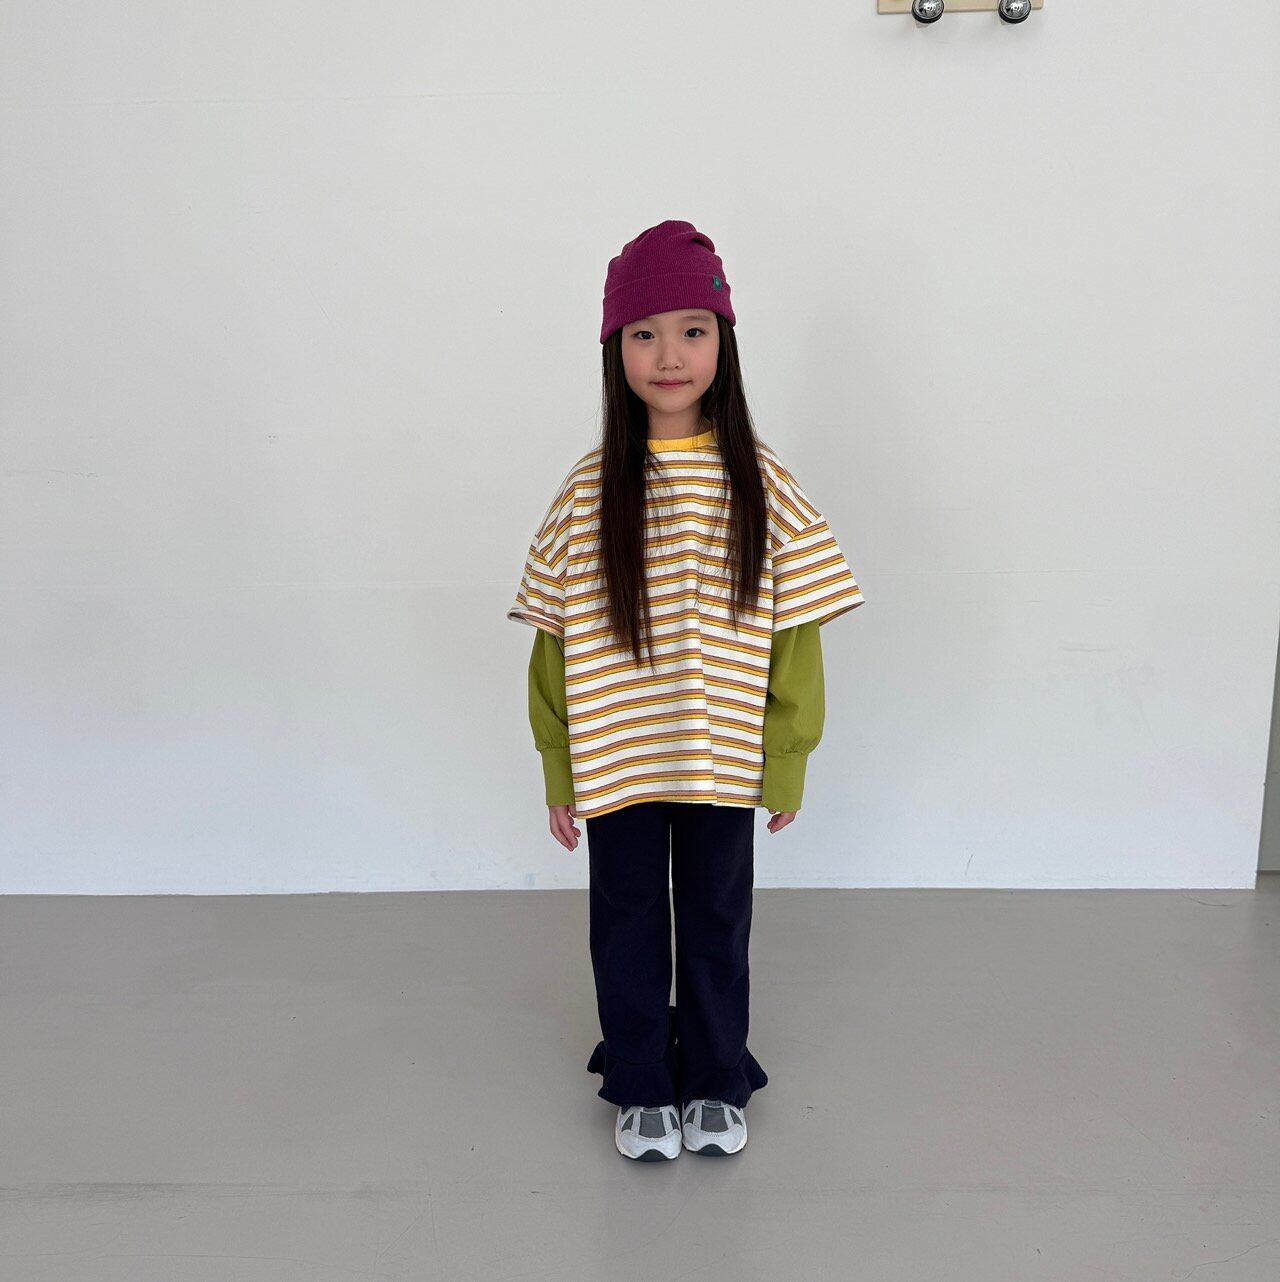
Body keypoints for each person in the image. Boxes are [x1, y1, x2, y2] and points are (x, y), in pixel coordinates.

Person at [506, 219, 865, 1161]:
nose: (670, 356)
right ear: (615, 349)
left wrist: (786, 758)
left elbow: (796, 638)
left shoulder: (762, 485)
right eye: (644, 333)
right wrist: (559, 763)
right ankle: (639, 1083)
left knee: (715, 920)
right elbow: (552, 643)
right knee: (626, 923)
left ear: (723, 342)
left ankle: (713, 1077)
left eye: (693, 331)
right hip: (618, 757)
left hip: (722, 757)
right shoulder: (590, 491)